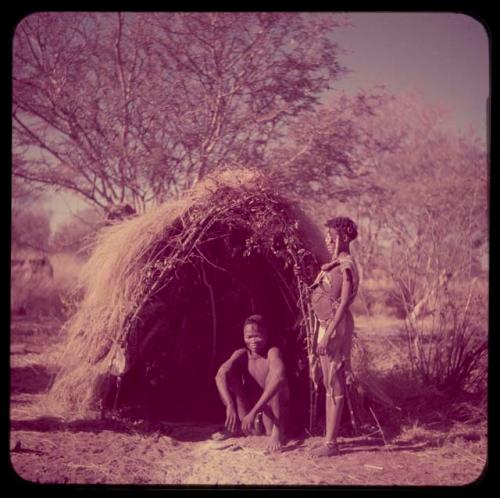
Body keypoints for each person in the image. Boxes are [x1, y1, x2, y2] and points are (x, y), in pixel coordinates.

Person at [309, 217, 360, 457]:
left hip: (335, 327)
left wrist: (328, 334)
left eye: (332, 237)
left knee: (334, 382)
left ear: (343, 238)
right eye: (327, 237)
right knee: (329, 383)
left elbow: (342, 305)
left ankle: (331, 443)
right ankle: (328, 440)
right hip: (326, 325)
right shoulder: (335, 264)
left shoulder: (347, 265)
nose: (328, 241)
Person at [214, 315, 289, 453]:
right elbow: (220, 375)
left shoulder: (272, 352)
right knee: (232, 377)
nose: (253, 340)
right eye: (249, 337)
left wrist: (254, 411)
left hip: (270, 412)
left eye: (258, 336)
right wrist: (229, 405)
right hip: (250, 415)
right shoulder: (242, 354)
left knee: (276, 381)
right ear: (244, 337)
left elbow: (279, 377)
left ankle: (278, 431)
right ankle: (235, 427)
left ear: (266, 335)